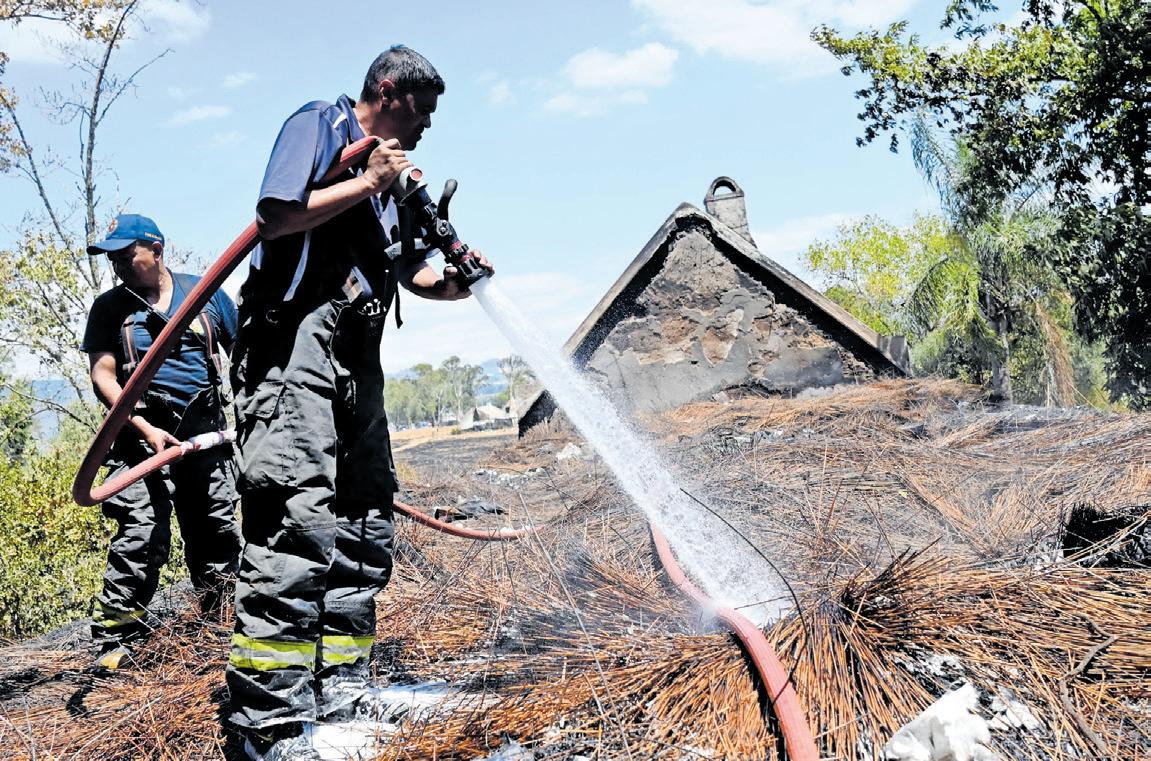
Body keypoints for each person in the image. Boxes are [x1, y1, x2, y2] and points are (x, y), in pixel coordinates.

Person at [225, 45, 492, 758]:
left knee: (362, 520)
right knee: (294, 521)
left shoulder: (389, 182)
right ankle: (269, 725)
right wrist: (366, 177)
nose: (429, 123)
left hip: (354, 362)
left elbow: (409, 271)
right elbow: (278, 215)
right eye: (423, 108)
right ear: (387, 89)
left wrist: (457, 283)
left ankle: (341, 690)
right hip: (292, 355)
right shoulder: (321, 123)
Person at [82, 213, 243, 669]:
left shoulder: (205, 293)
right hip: (139, 439)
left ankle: (221, 625)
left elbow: (245, 352)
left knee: (216, 531)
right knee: (141, 533)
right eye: (111, 256)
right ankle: (115, 643)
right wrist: (144, 428)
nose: (118, 263)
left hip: (204, 437)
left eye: (126, 253)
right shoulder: (110, 308)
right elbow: (102, 375)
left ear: (156, 249)